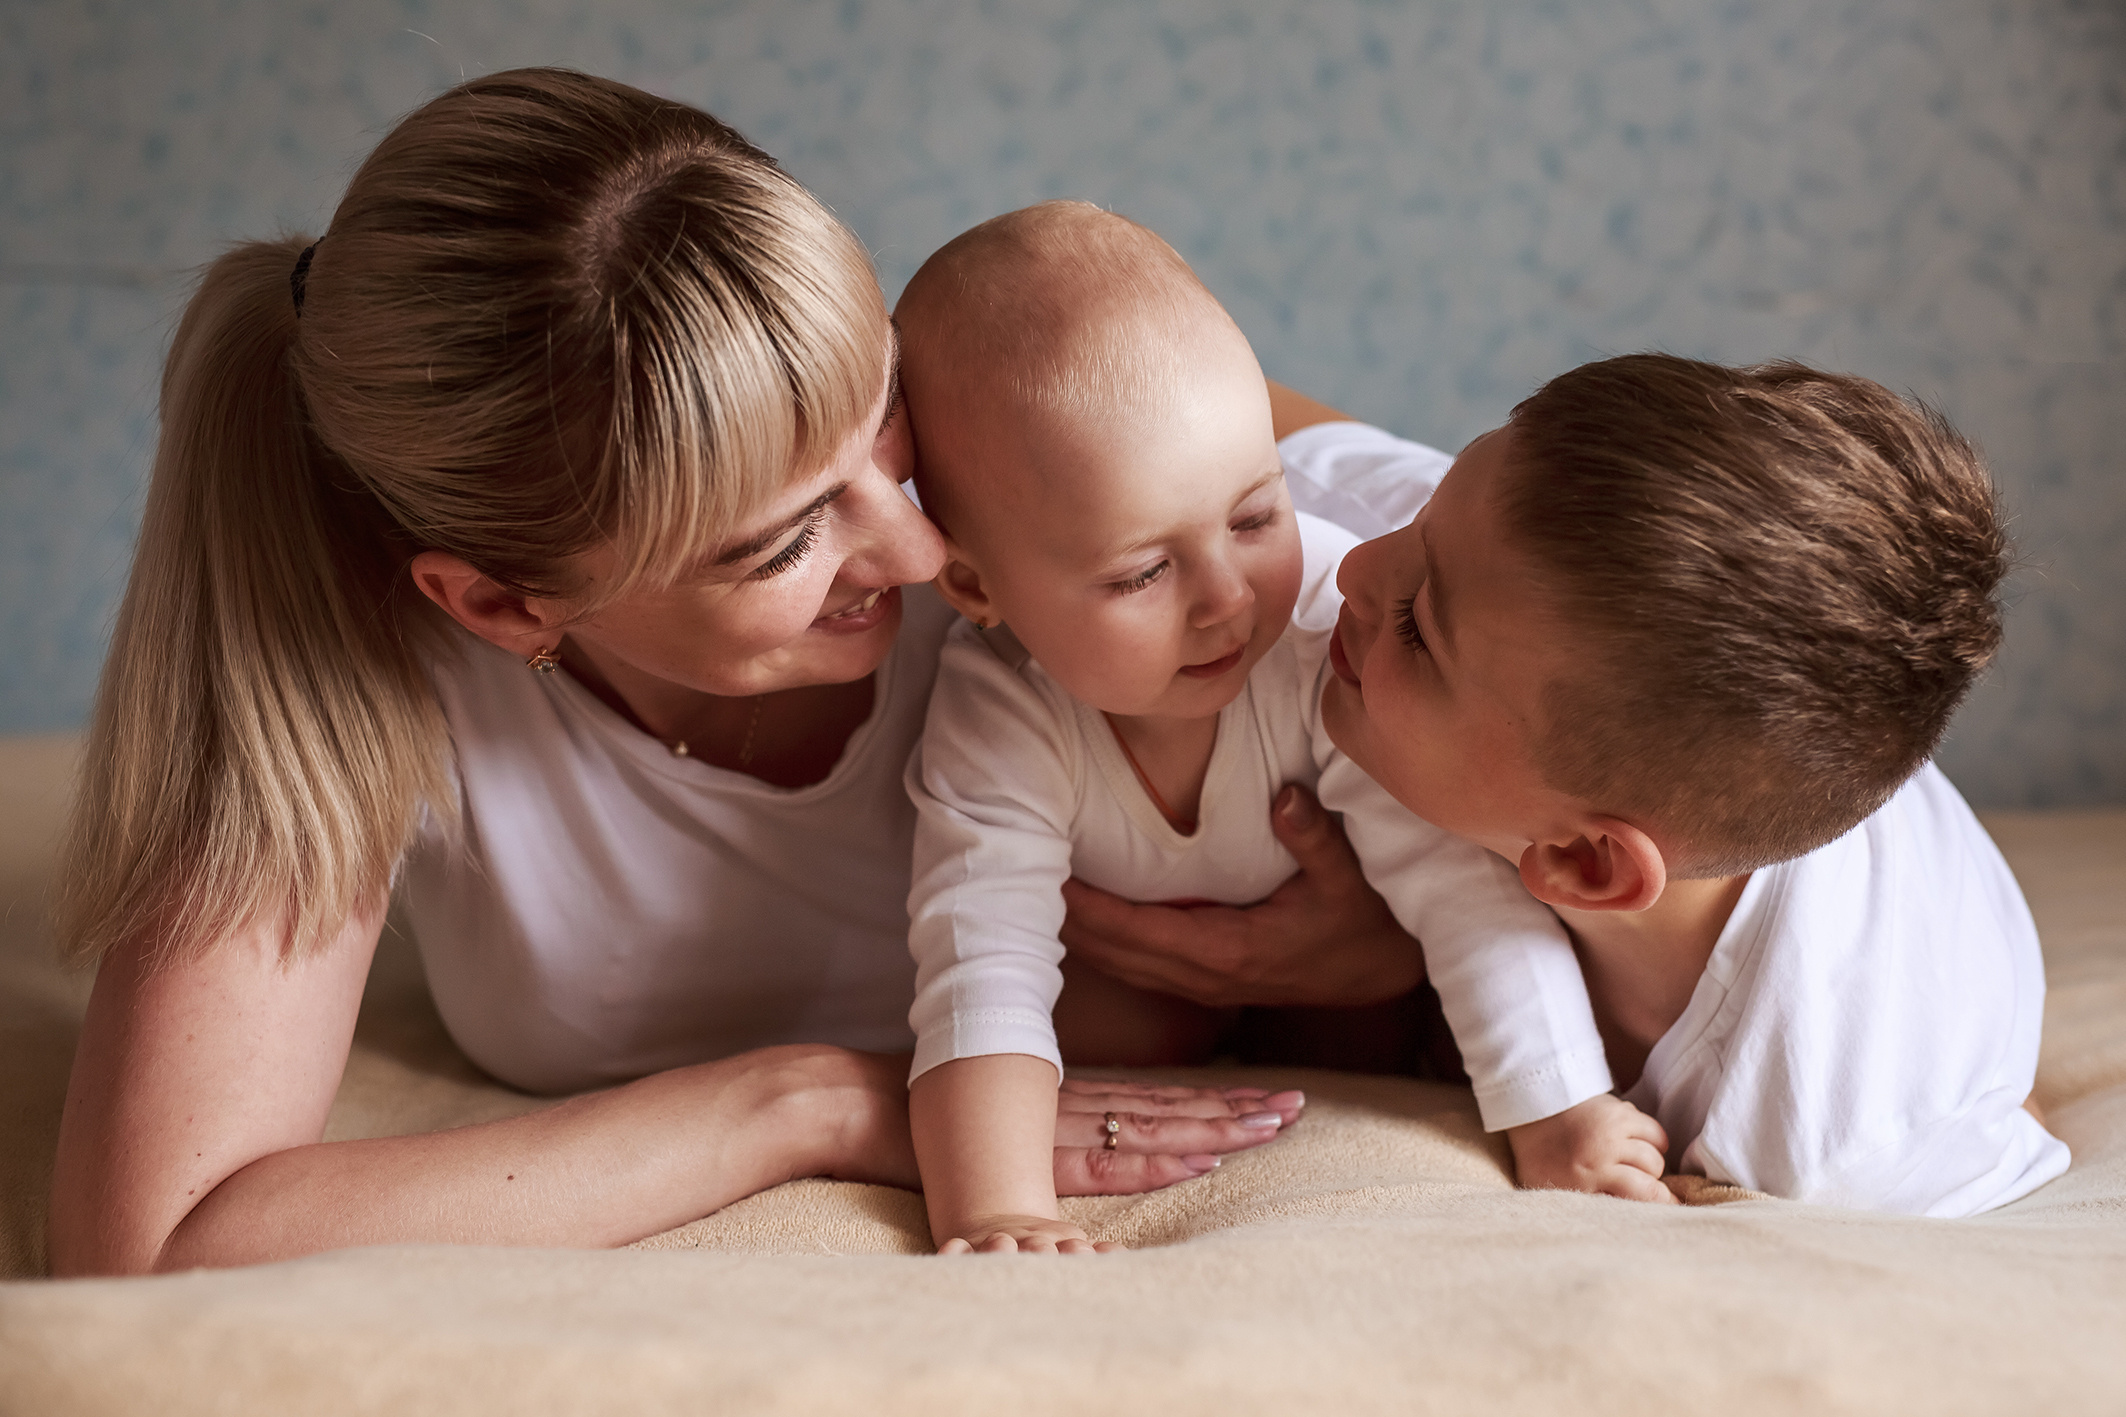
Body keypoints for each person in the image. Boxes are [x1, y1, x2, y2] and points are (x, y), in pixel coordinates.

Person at [46, 70, 1441, 1276]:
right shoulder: (353, 665)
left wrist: (1382, 958)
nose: (913, 545)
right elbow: (157, 1239)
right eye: (780, 541)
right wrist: (815, 1103)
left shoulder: (1041, 468)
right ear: (497, 601)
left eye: (878, 421)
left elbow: (1555, 623)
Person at [891, 203, 1666, 1254]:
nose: (1224, 599)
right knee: (1101, 1025)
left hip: (1350, 985)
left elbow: (1455, 888)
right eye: (1140, 572)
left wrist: (1557, 1113)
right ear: (976, 585)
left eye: (1256, 516)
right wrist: (997, 1212)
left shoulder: (1318, 637)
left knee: (1381, 1005)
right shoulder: (997, 710)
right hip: (1138, 991)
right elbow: (980, 965)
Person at [1276, 354, 2064, 1214]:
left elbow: (2001, 1123)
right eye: (1422, 519)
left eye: (1417, 633)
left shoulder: (1845, 1130)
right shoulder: (1502, 550)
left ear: (1585, 862)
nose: (1350, 571)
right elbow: (1195, 388)